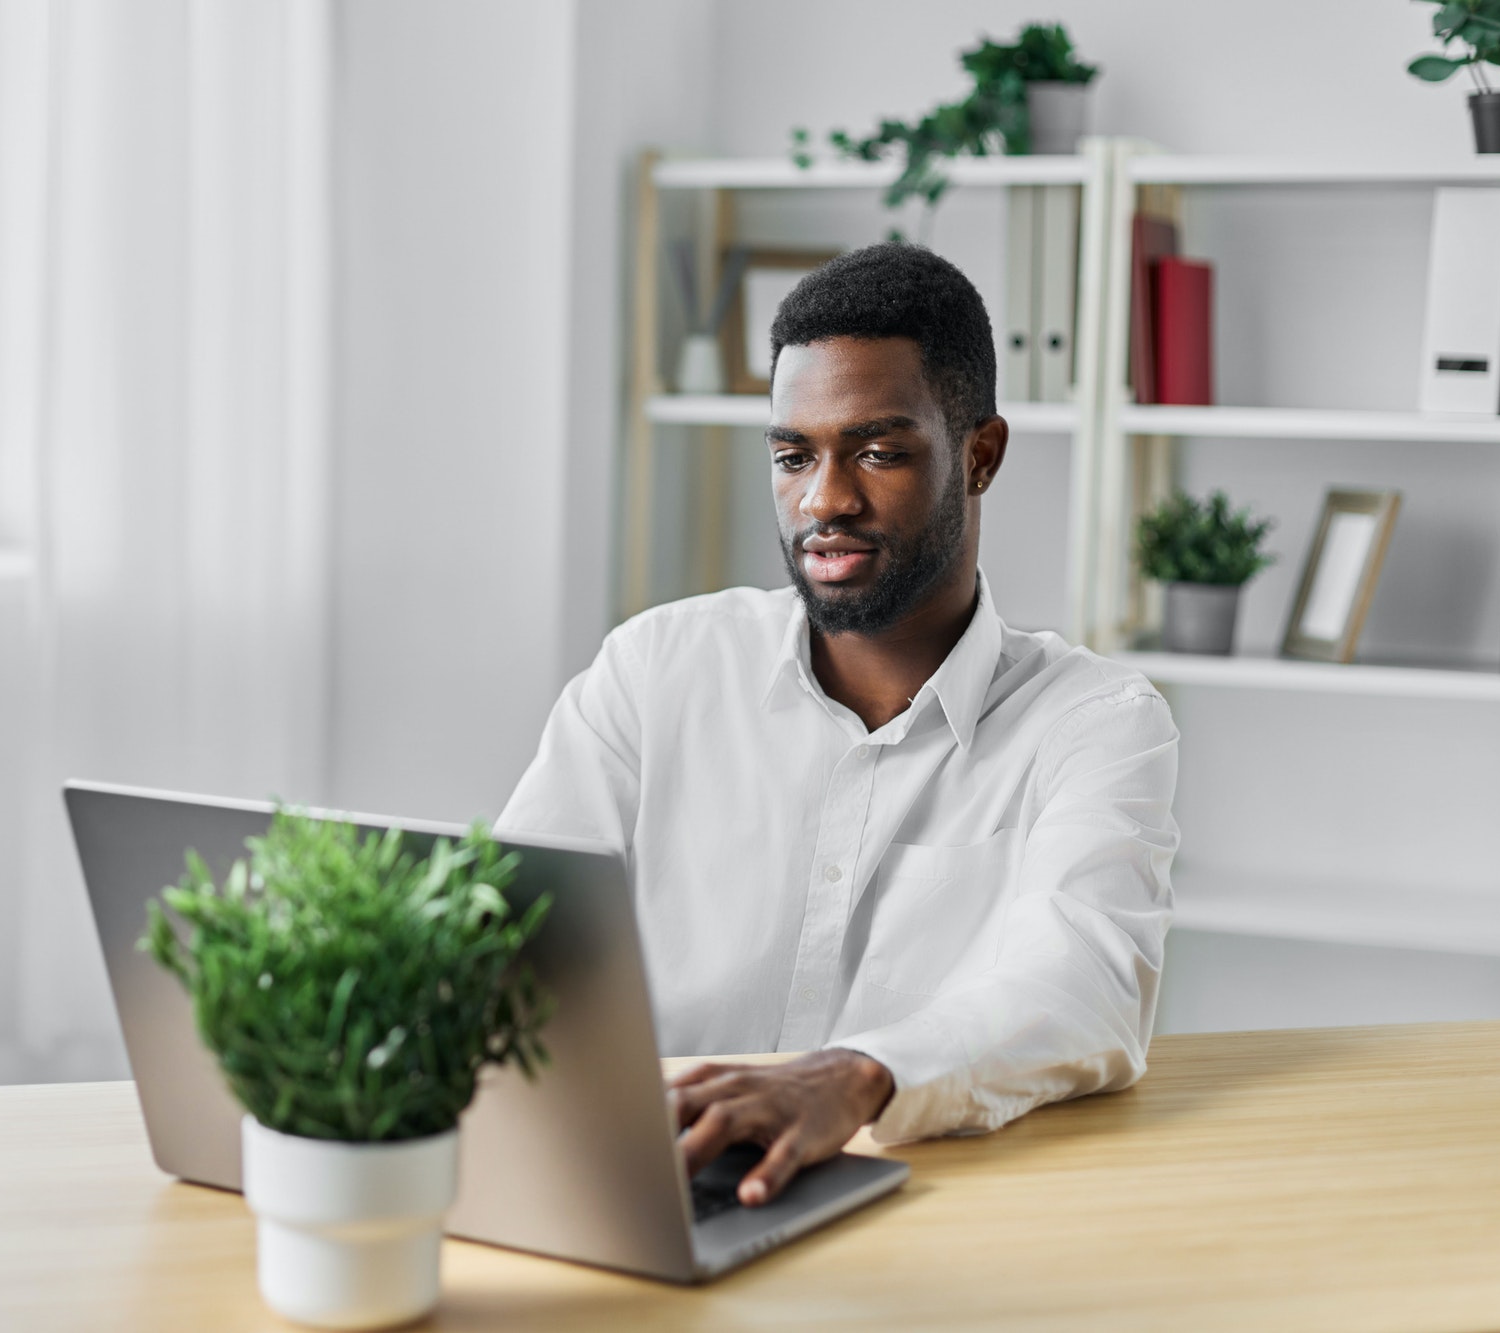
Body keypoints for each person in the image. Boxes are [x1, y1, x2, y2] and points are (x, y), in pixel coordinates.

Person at [497, 242, 1178, 1209]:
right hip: (660, 1189)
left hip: (933, 1203)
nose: (824, 501)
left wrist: (853, 1075)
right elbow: (507, 942)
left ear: (980, 455)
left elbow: (1084, 984)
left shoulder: (1096, 721)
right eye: (792, 456)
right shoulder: (654, 671)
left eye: (877, 452)